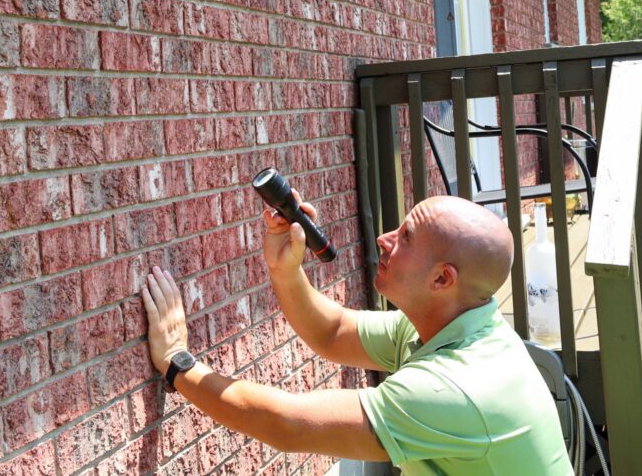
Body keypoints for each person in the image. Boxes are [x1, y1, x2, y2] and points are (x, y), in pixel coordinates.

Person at [142, 193, 573, 474]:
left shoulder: (455, 388)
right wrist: (285, 270)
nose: (385, 239)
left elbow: (287, 425)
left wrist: (178, 363)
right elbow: (334, 332)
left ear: (442, 280)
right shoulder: (453, 324)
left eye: (406, 236)